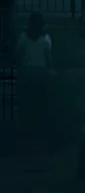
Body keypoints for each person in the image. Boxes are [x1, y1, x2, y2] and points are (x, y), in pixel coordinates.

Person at [15, 12, 54, 143]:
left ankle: (26, 130)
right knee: (41, 102)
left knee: (26, 102)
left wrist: (20, 67)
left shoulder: (24, 37)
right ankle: (40, 129)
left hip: (27, 72)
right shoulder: (45, 39)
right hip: (41, 72)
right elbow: (48, 59)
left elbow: (19, 55)